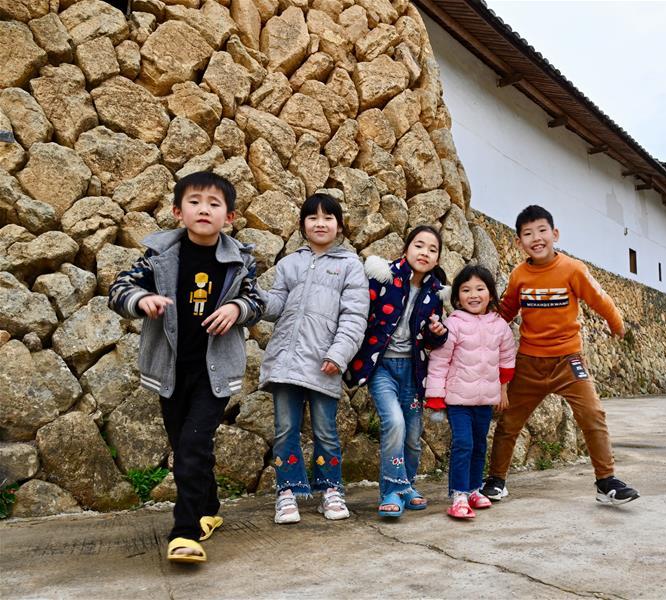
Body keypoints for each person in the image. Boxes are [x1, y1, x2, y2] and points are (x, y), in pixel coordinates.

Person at [108, 171, 264, 563]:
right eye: (194, 202)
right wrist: (141, 299)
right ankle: (209, 508)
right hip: (171, 371)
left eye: (214, 204)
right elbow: (119, 288)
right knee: (187, 446)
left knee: (192, 445)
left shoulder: (240, 261)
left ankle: (185, 531)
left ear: (229, 216)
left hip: (215, 372)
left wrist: (236, 308)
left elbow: (257, 301)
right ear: (178, 212)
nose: (204, 210)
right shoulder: (158, 256)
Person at [482, 205, 640, 505]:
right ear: (518, 242)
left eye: (542, 231)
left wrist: (616, 323)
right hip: (529, 362)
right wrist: (482, 331)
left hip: (569, 361)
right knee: (509, 421)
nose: (536, 238)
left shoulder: (572, 269)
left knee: (593, 414)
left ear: (554, 234)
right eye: (528, 234)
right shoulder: (519, 275)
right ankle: (496, 480)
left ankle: (606, 482)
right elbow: (507, 310)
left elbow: (599, 299)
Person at [259, 193, 368, 525]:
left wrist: (339, 353)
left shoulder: (350, 266)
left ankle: (331, 490)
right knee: (285, 430)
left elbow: (354, 316)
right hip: (286, 362)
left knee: (325, 431)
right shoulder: (289, 264)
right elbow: (275, 306)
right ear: (302, 225)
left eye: (328, 218)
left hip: (325, 363)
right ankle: (287, 491)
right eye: (313, 217)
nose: (320, 223)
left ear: (340, 226)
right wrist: (254, 295)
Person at [343, 225, 450, 518]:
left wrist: (437, 333)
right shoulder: (384, 277)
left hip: (413, 372)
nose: (424, 253)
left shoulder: (435, 293)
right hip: (381, 367)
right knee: (394, 423)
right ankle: (391, 490)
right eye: (419, 245)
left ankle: (406, 486)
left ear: (438, 259)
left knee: (413, 436)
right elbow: (360, 314)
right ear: (406, 249)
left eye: (432, 249)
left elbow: (430, 340)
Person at [424, 265, 516, 519]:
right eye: (466, 290)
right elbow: (439, 362)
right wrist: (435, 396)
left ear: (491, 294)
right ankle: (459, 495)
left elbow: (507, 359)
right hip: (458, 400)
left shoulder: (500, 326)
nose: (473, 295)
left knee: (478, 445)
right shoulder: (453, 324)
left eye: (480, 289)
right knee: (463, 444)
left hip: (485, 400)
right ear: (457, 297)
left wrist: (503, 389)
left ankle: (475, 489)